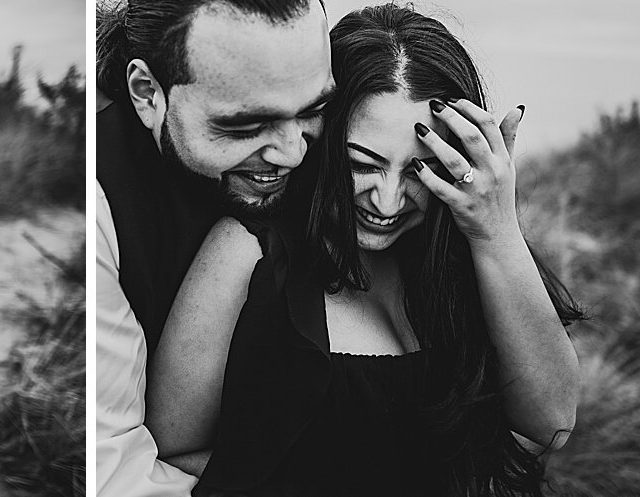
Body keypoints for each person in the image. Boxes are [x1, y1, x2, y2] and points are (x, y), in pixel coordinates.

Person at [146, 4, 586, 496]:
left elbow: (551, 423)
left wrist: (496, 231)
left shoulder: (463, 260)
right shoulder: (248, 252)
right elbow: (172, 449)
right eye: (362, 163)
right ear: (322, 140)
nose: (387, 200)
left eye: (421, 169)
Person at [93, 0, 332, 494]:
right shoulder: (97, 204)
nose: (292, 152)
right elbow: (113, 470)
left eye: (313, 109)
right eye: (244, 126)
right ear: (147, 94)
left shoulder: (351, 161)